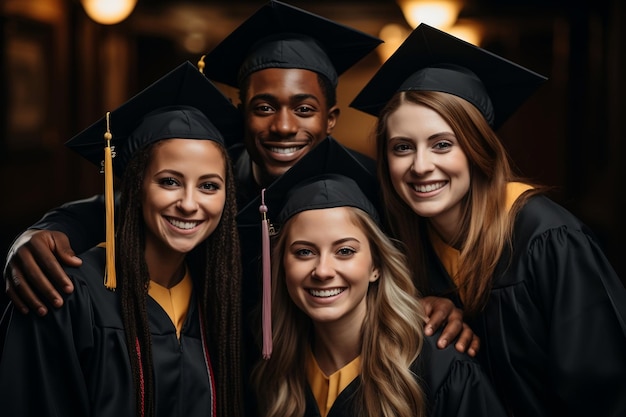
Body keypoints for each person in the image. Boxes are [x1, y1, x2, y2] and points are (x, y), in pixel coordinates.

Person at [3, 1, 476, 355]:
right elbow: (118, 211)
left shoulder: (371, 189)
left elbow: (419, 267)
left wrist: (440, 303)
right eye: (264, 108)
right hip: (223, 377)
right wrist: (41, 233)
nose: (285, 127)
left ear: (331, 119)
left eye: (304, 110)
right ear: (241, 114)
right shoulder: (211, 182)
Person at [350, 23, 626, 416]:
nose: (421, 166)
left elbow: (603, 394)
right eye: (402, 147)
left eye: (442, 144)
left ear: (477, 149)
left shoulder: (546, 238)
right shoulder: (407, 243)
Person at [0, 61, 244, 417]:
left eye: (209, 186)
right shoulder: (67, 294)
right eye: (169, 181)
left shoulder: (219, 296)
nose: (190, 204)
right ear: (134, 188)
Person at [251, 170, 507, 417]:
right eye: (304, 252)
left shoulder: (437, 366)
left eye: (345, 251)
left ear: (376, 266)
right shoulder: (272, 367)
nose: (323, 271)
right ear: (282, 265)